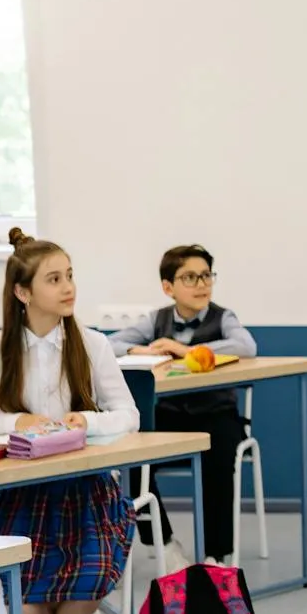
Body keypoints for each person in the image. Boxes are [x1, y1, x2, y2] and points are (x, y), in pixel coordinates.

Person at [0, 228, 138, 614]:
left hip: (86, 488)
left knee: (95, 574)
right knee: (30, 612)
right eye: (54, 279)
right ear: (23, 292)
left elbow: (128, 415)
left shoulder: (93, 344)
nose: (68, 288)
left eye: (70, 276)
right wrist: (18, 419)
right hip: (22, 491)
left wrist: (87, 420)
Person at [108, 243, 258, 567]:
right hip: (171, 413)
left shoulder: (223, 317)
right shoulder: (156, 319)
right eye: (189, 277)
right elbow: (110, 342)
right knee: (133, 458)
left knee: (219, 459)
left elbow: (246, 345)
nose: (201, 284)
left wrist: (184, 348)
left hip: (216, 413)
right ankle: (162, 542)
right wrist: (140, 351)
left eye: (206, 275)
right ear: (168, 287)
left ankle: (215, 554)